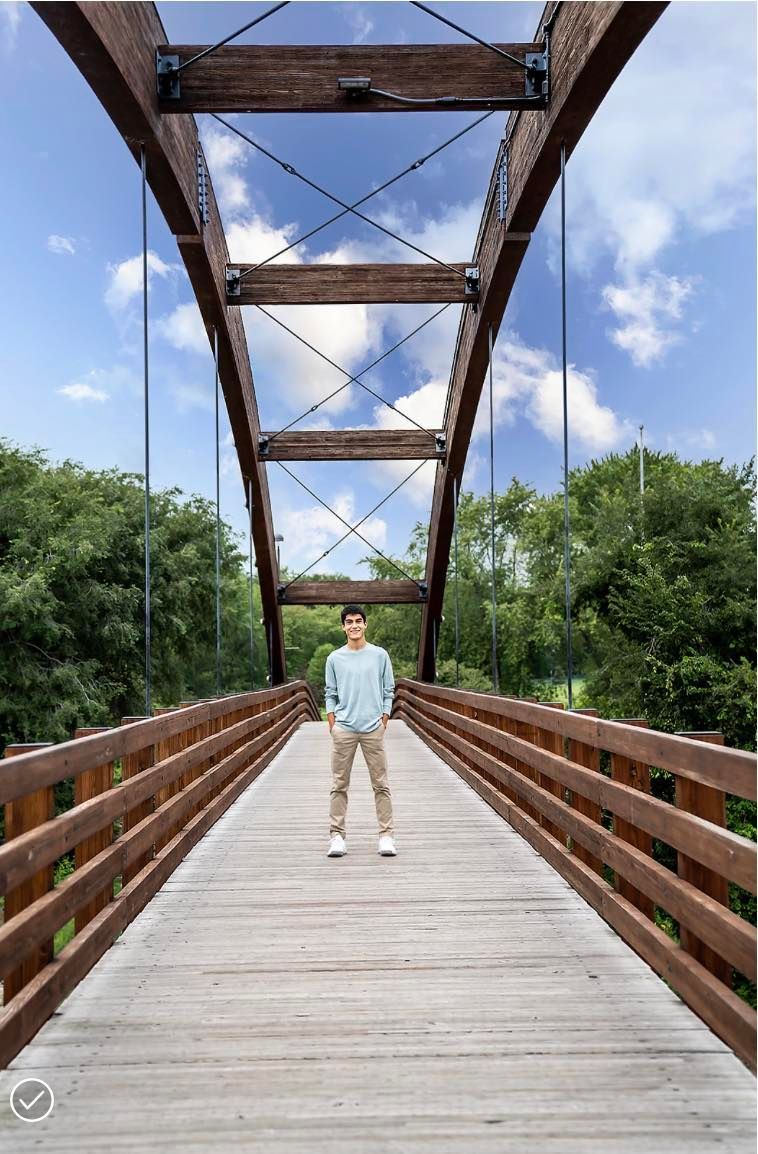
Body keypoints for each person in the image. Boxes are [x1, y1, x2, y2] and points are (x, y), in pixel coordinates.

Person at [324, 604, 396, 858]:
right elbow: (330, 694)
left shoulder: (380, 655)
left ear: (365, 624)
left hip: (372, 729)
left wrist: (385, 718)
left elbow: (389, 690)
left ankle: (386, 836)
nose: (354, 625)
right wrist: (333, 724)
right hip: (344, 728)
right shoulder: (334, 658)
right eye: (349, 621)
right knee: (339, 784)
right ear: (343, 626)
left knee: (381, 784)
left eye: (358, 621)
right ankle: (337, 837)